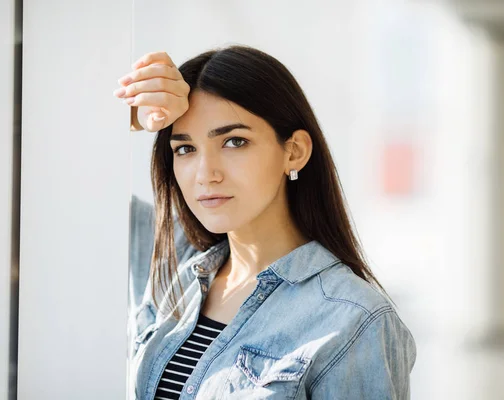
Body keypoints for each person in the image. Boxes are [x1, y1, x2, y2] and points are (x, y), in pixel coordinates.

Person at [114, 46, 416, 399]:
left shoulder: (354, 320)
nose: (205, 174)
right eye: (185, 148)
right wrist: (125, 114)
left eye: (234, 141)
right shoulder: (171, 263)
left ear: (294, 151)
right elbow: (54, 199)